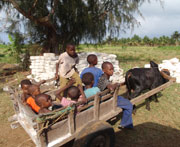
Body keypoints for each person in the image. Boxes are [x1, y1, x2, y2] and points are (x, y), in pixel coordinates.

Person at [98, 62, 134, 129]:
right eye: (110, 69)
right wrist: (116, 84)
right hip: (109, 100)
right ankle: (125, 124)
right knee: (129, 105)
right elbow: (111, 87)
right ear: (104, 70)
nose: (112, 71)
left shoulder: (103, 77)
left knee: (125, 100)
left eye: (113, 69)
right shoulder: (103, 79)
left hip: (109, 97)